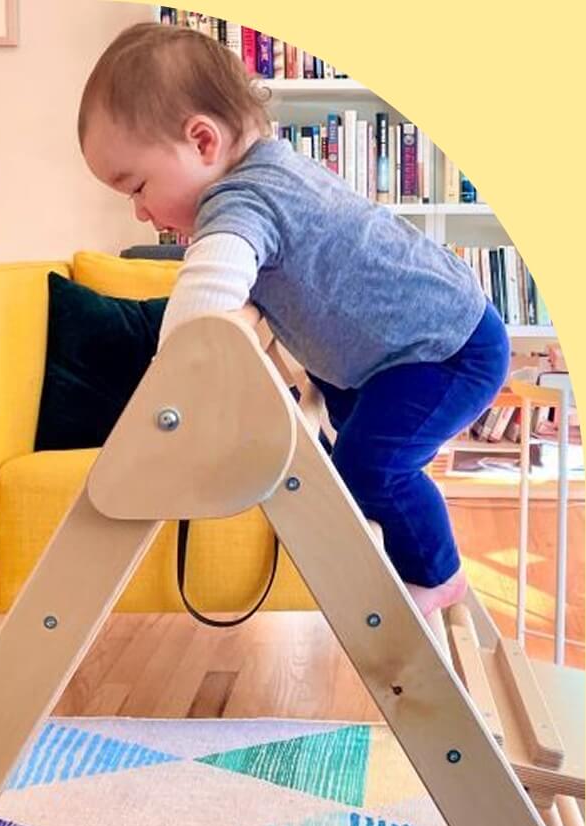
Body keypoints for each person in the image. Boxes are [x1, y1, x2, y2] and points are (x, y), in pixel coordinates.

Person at [77, 22, 510, 617]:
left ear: (203, 142)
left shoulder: (242, 202)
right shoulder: (274, 168)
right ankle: (382, 533)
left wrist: (173, 375)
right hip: (385, 355)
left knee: (374, 467)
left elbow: (207, 289)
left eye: (138, 186)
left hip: (446, 347)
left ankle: (438, 574)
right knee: (342, 459)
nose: (141, 211)